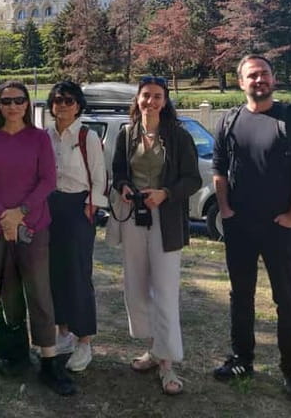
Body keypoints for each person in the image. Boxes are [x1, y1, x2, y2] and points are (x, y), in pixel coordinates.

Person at [212, 54, 291, 399]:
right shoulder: (229, 120)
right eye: (252, 75)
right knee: (240, 297)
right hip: (239, 227)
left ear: (272, 79)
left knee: (287, 300)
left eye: (264, 74)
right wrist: (226, 209)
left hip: (281, 228)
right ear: (241, 82)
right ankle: (242, 359)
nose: (259, 80)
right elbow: (218, 168)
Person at [0, 81, 75, 396]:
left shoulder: (39, 138)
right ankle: (16, 355)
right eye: (6, 101)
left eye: (19, 100)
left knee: (39, 292)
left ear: (27, 104)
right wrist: (4, 216)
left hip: (33, 225)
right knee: (11, 293)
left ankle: (48, 361)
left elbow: (47, 180)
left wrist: (21, 212)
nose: (13, 106)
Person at [111, 76, 201, 395]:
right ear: (137, 99)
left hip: (167, 221)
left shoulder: (178, 136)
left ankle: (167, 363)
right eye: (146, 95)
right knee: (135, 289)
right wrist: (123, 187)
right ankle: (153, 348)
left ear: (165, 101)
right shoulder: (126, 134)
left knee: (164, 291)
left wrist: (165, 193)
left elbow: (192, 179)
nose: (151, 101)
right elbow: (118, 173)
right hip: (134, 218)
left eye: (157, 96)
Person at [44, 81, 107, 372]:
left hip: (78, 207)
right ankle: (63, 333)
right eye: (58, 100)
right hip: (50, 208)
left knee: (79, 274)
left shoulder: (86, 136)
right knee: (54, 272)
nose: (63, 105)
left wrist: (90, 208)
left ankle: (85, 341)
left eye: (69, 101)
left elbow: (99, 178)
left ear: (78, 105)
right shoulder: (45, 136)